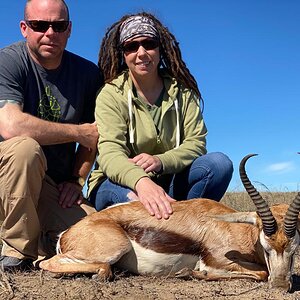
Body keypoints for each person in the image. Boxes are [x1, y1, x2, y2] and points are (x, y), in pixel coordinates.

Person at [88, 12, 233, 220]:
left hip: (168, 180)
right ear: (123, 53)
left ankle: (188, 227)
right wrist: (142, 182)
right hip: (117, 184)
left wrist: (160, 161)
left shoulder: (183, 92)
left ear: (159, 47)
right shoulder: (110, 94)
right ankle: (172, 226)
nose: (141, 53)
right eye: (131, 46)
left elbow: (196, 144)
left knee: (219, 164)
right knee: (138, 205)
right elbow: (110, 155)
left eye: (149, 43)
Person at [0, 0, 103, 271]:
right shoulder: (8, 61)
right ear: (24, 28)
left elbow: (94, 138)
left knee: (95, 236)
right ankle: (16, 249)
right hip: (8, 175)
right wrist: (77, 132)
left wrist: (76, 179)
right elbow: (11, 126)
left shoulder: (89, 74)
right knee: (25, 148)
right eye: (39, 25)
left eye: (58, 26)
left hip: (52, 185)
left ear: (69, 29)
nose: (49, 33)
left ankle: (40, 238)